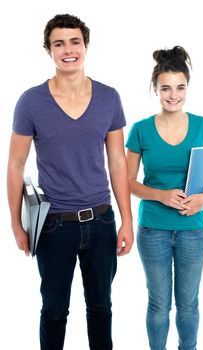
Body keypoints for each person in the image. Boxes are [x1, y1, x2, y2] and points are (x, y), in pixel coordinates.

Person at [7, 14, 133, 350]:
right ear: (48, 50)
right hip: (53, 226)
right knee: (53, 312)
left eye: (74, 42)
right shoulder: (31, 101)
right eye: (59, 43)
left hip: (102, 220)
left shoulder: (109, 97)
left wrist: (127, 220)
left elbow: (118, 161)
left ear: (85, 45)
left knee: (101, 309)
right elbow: (16, 163)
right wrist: (17, 223)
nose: (68, 50)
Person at [126, 46, 203, 350]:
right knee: (158, 305)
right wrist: (161, 195)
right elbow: (127, 182)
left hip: (193, 230)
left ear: (187, 88)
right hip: (153, 229)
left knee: (189, 304)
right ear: (155, 88)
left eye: (180, 87)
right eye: (166, 88)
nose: (173, 95)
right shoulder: (141, 130)